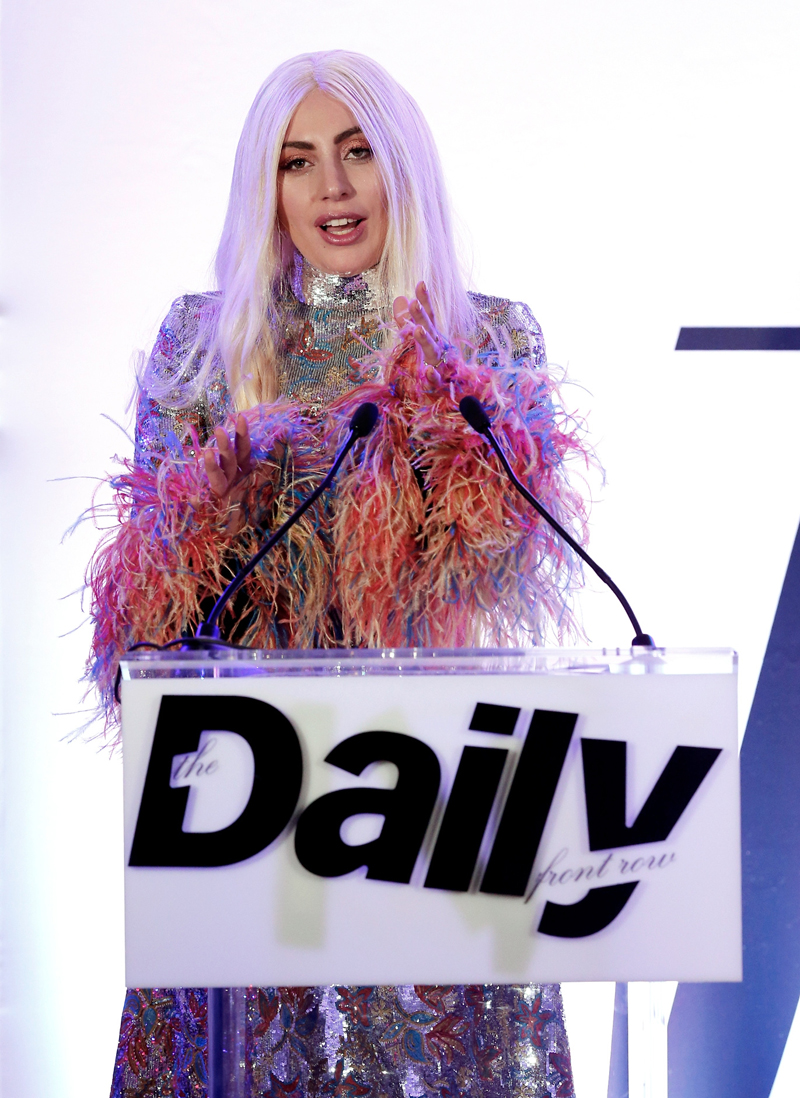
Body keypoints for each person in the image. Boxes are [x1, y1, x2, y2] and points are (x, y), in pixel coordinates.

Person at [92, 50, 587, 1098]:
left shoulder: (486, 335)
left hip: (429, 797)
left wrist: (452, 466)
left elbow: (508, 565)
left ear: (400, 166)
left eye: (357, 153)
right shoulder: (199, 342)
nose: (330, 188)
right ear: (263, 186)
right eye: (297, 160)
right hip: (248, 795)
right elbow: (139, 624)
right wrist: (206, 509)